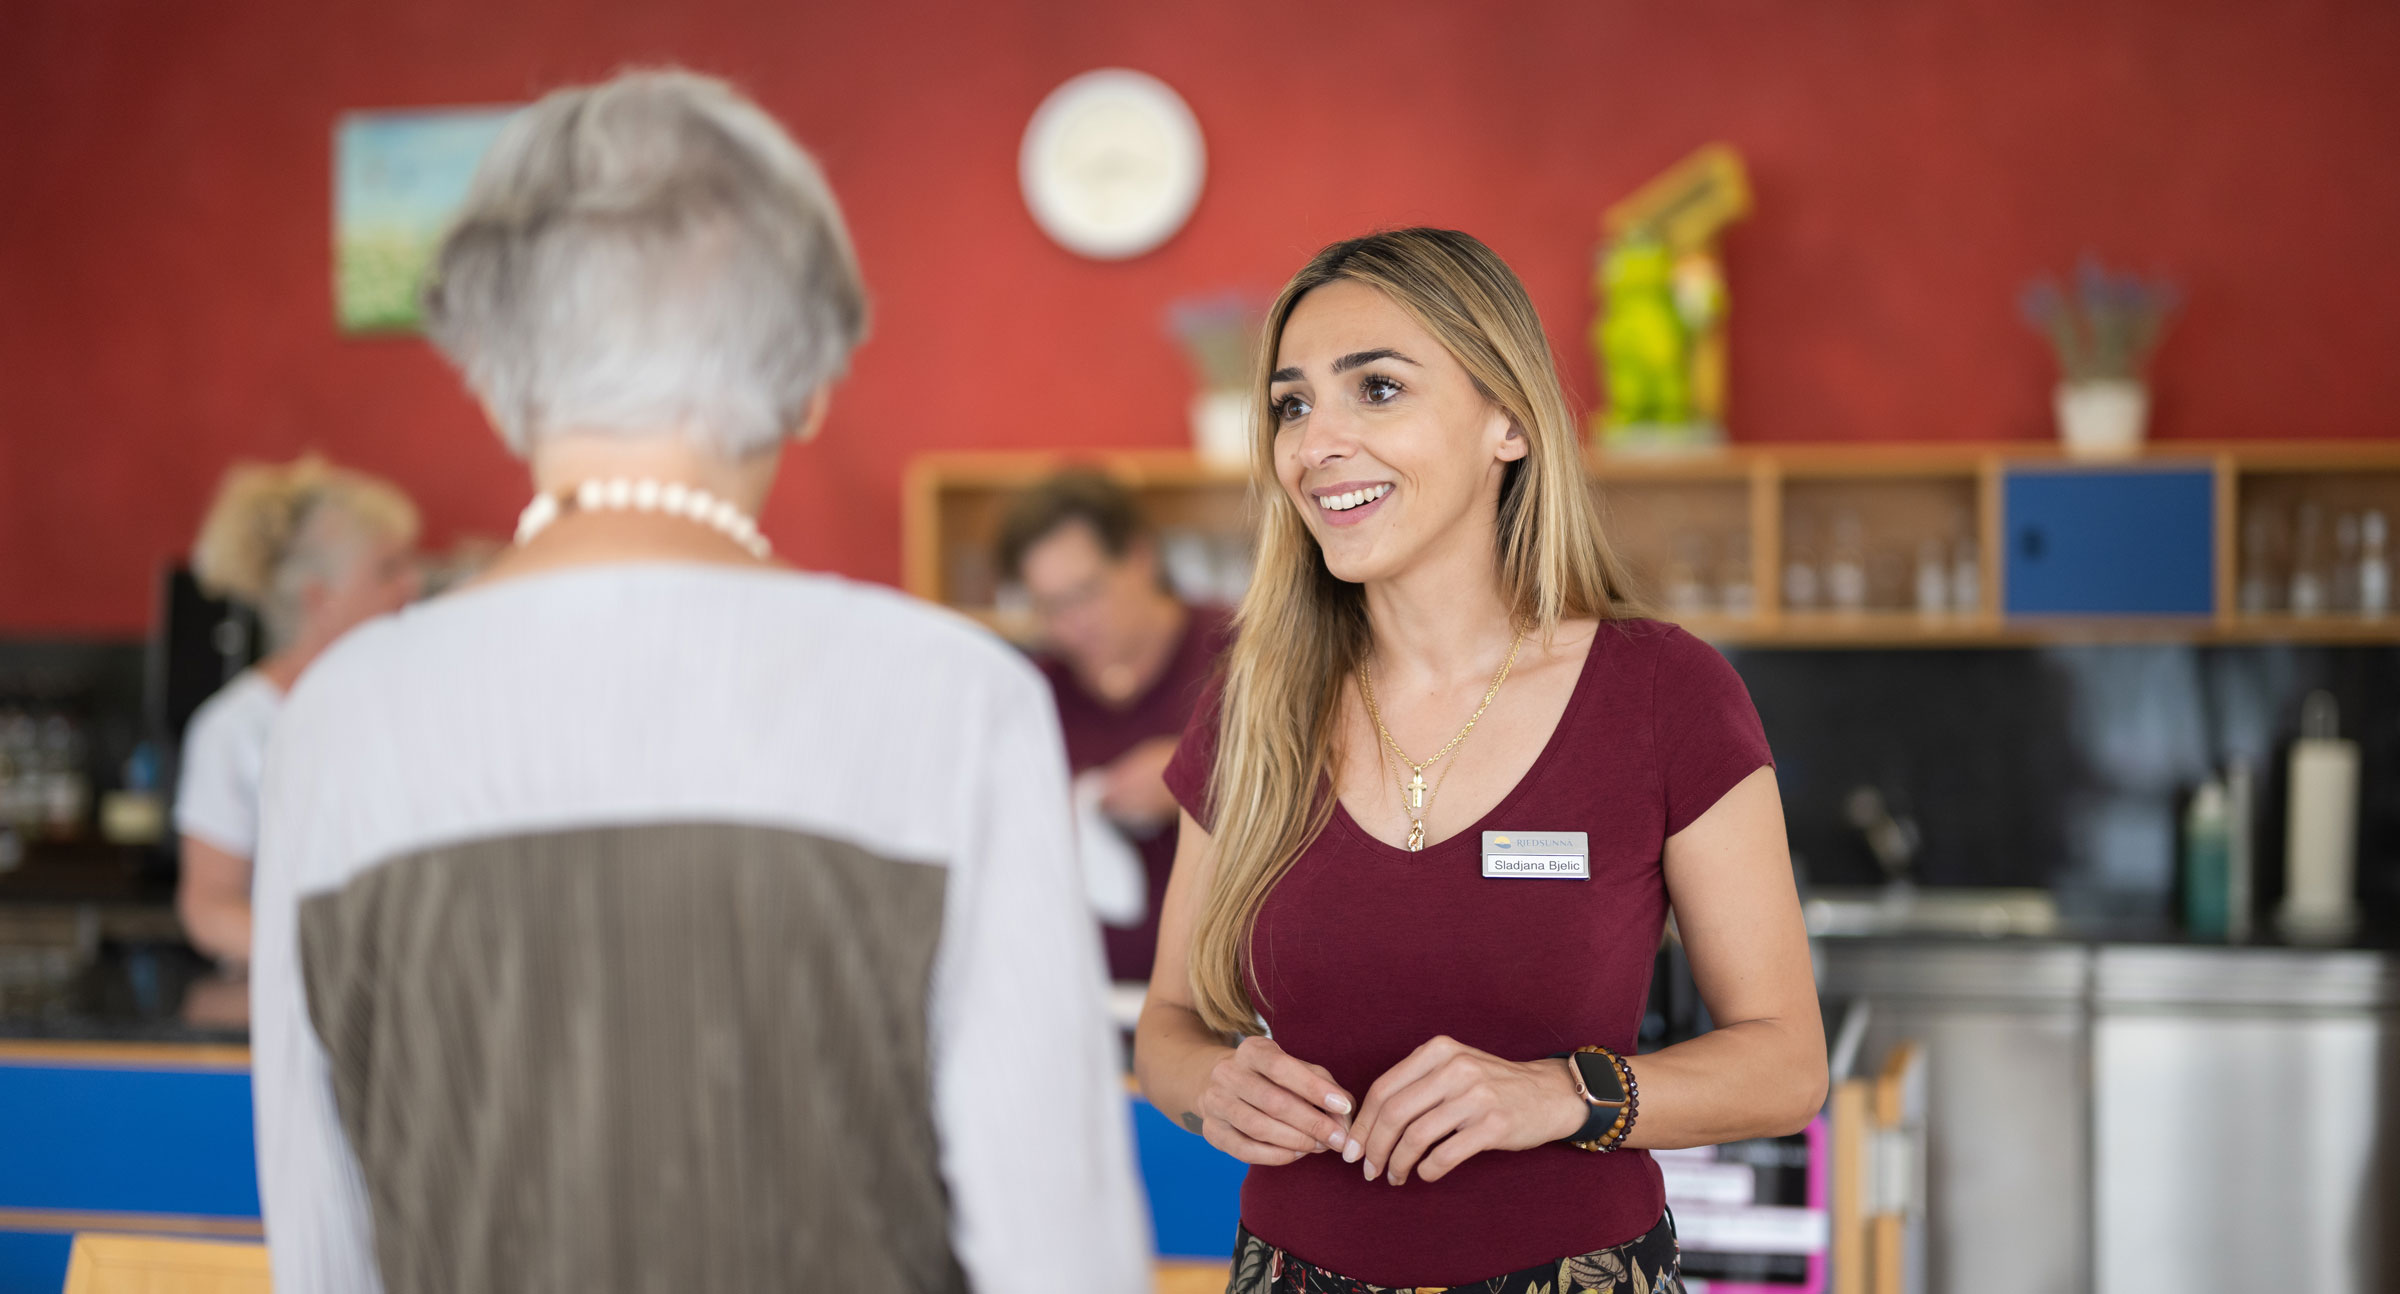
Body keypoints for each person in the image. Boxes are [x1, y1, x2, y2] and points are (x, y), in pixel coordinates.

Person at [247, 71, 1147, 1293]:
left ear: (496, 367)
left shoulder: (337, 716)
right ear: (811, 381)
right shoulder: (955, 694)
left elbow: (322, 1240)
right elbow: (1057, 1247)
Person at [1133, 229, 1825, 1292]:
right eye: (1293, 403)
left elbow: (1786, 1063)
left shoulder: (1662, 693)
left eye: (1376, 389)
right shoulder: (1251, 702)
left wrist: (1559, 1094)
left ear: (1507, 419)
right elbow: (1167, 1032)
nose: (1318, 442)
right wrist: (1213, 1087)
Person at [175, 455, 420, 967]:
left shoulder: (409, 707)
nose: (411, 586)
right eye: (389, 570)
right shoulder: (236, 729)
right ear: (319, 598)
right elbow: (209, 906)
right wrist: (333, 963)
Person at [996, 470, 1232, 981]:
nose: (1072, 623)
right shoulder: (1033, 696)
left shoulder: (1243, 655)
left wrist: (1200, 772)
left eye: (1085, 593)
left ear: (1140, 558)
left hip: (1226, 1002)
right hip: (1084, 993)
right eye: (1049, 606)